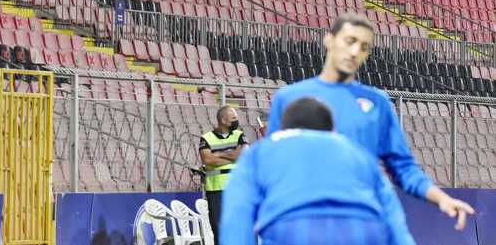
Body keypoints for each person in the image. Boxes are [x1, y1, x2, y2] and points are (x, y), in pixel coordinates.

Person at [267, 14, 475, 231]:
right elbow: (273, 166)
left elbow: (403, 167)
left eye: (364, 47)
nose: (356, 52)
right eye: (350, 41)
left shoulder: (378, 103)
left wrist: (442, 198)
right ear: (329, 40)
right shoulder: (288, 98)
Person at [222, 97, 416, 245]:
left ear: (284, 127)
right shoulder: (359, 155)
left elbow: (237, 217)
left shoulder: (257, 154)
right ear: (331, 129)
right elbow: (393, 218)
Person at [199, 105, 246, 244]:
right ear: (223, 120)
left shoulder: (239, 134)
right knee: (218, 229)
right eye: (233, 118)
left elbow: (244, 154)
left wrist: (218, 155)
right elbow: (207, 159)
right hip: (215, 190)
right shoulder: (206, 138)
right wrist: (232, 155)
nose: (236, 121)